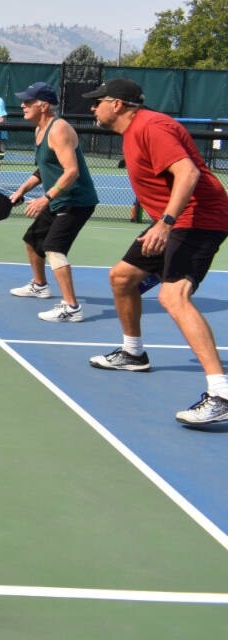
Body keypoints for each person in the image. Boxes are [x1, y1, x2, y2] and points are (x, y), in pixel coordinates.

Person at [86, 77, 228, 427]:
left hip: (197, 219)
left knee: (172, 296)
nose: (92, 107)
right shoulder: (134, 131)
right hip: (175, 220)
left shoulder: (151, 127)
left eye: (98, 101)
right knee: (122, 278)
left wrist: (165, 222)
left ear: (117, 104)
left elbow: (187, 172)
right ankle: (133, 353)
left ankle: (221, 393)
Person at [6, 82, 98, 323]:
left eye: (28, 102)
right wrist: (22, 190)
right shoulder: (40, 130)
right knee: (32, 241)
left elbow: (71, 171)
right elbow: (44, 168)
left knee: (54, 249)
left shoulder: (59, 129)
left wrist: (45, 198)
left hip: (76, 201)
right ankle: (40, 286)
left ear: (44, 105)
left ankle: (72, 307)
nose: (23, 105)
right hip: (59, 199)